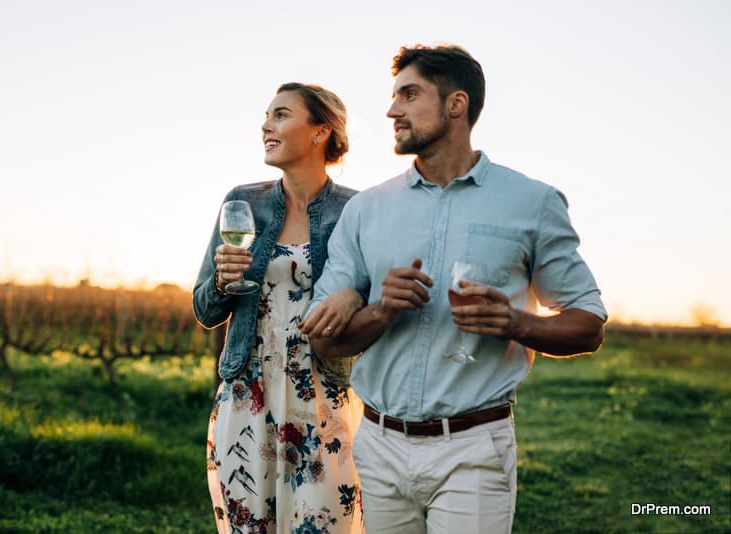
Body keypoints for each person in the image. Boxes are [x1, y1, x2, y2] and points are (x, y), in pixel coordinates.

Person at [300, 44, 607, 533]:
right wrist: (382, 310)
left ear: (455, 104)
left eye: (409, 94)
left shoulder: (531, 202)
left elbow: (587, 324)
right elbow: (324, 340)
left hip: (474, 446)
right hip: (378, 445)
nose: (391, 109)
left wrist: (517, 323)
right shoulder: (366, 211)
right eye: (394, 96)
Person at [193, 83, 365, 532]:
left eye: (281, 114)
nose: (266, 124)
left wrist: (354, 298)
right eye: (266, 115)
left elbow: (374, 304)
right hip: (247, 391)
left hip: (322, 392)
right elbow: (205, 309)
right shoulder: (242, 202)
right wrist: (222, 280)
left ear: (319, 131)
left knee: (323, 523)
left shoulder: (357, 210)